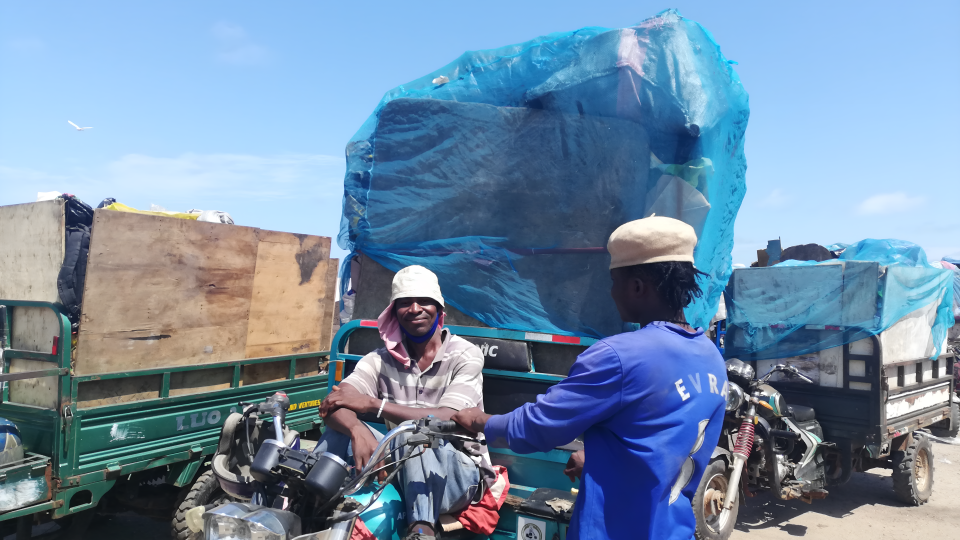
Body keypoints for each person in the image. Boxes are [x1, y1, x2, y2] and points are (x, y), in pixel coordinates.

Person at [453, 216, 728, 540]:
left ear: (637, 286)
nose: (611, 293)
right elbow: (662, 443)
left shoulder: (619, 356)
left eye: (614, 281)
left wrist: (480, 421)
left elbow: (537, 427)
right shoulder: (711, 358)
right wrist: (601, 460)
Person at [317, 265, 507, 540]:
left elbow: (445, 417)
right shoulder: (380, 359)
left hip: (456, 475)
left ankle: (421, 529)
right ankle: (309, 505)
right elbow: (334, 403)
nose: (415, 309)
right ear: (394, 312)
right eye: (405, 303)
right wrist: (356, 430)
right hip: (397, 465)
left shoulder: (466, 355)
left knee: (419, 434)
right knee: (340, 430)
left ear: (439, 309)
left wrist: (373, 404)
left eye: (424, 301)